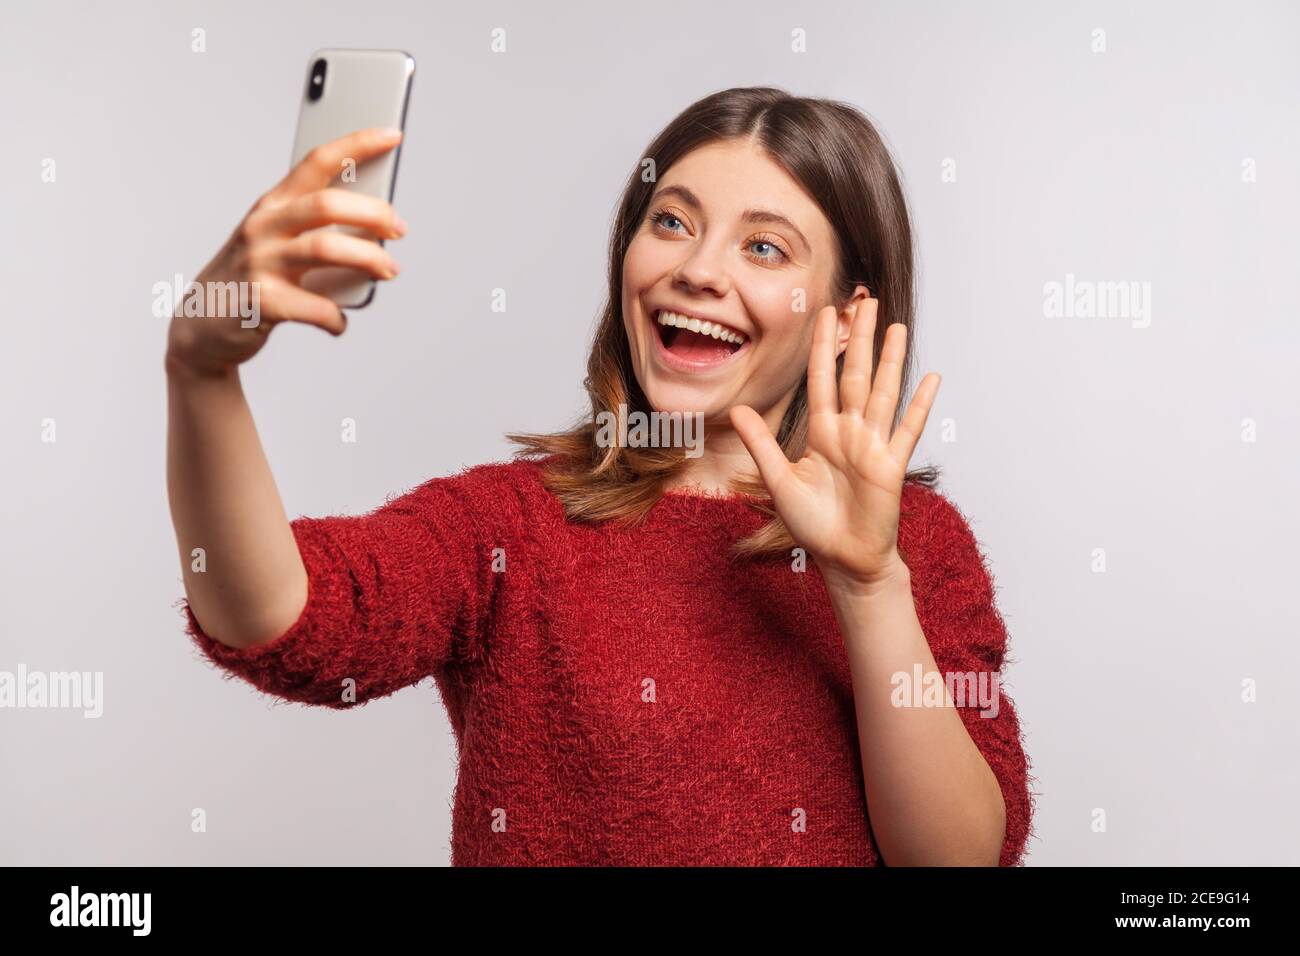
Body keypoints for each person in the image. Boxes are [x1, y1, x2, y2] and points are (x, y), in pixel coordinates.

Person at [166, 86, 1035, 866]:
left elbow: (958, 858)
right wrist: (202, 374)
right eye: (672, 221)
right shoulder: (510, 527)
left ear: (847, 318)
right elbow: (282, 621)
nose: (697, 268)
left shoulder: (917, 548)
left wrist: (868, 585)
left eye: (765, 248)